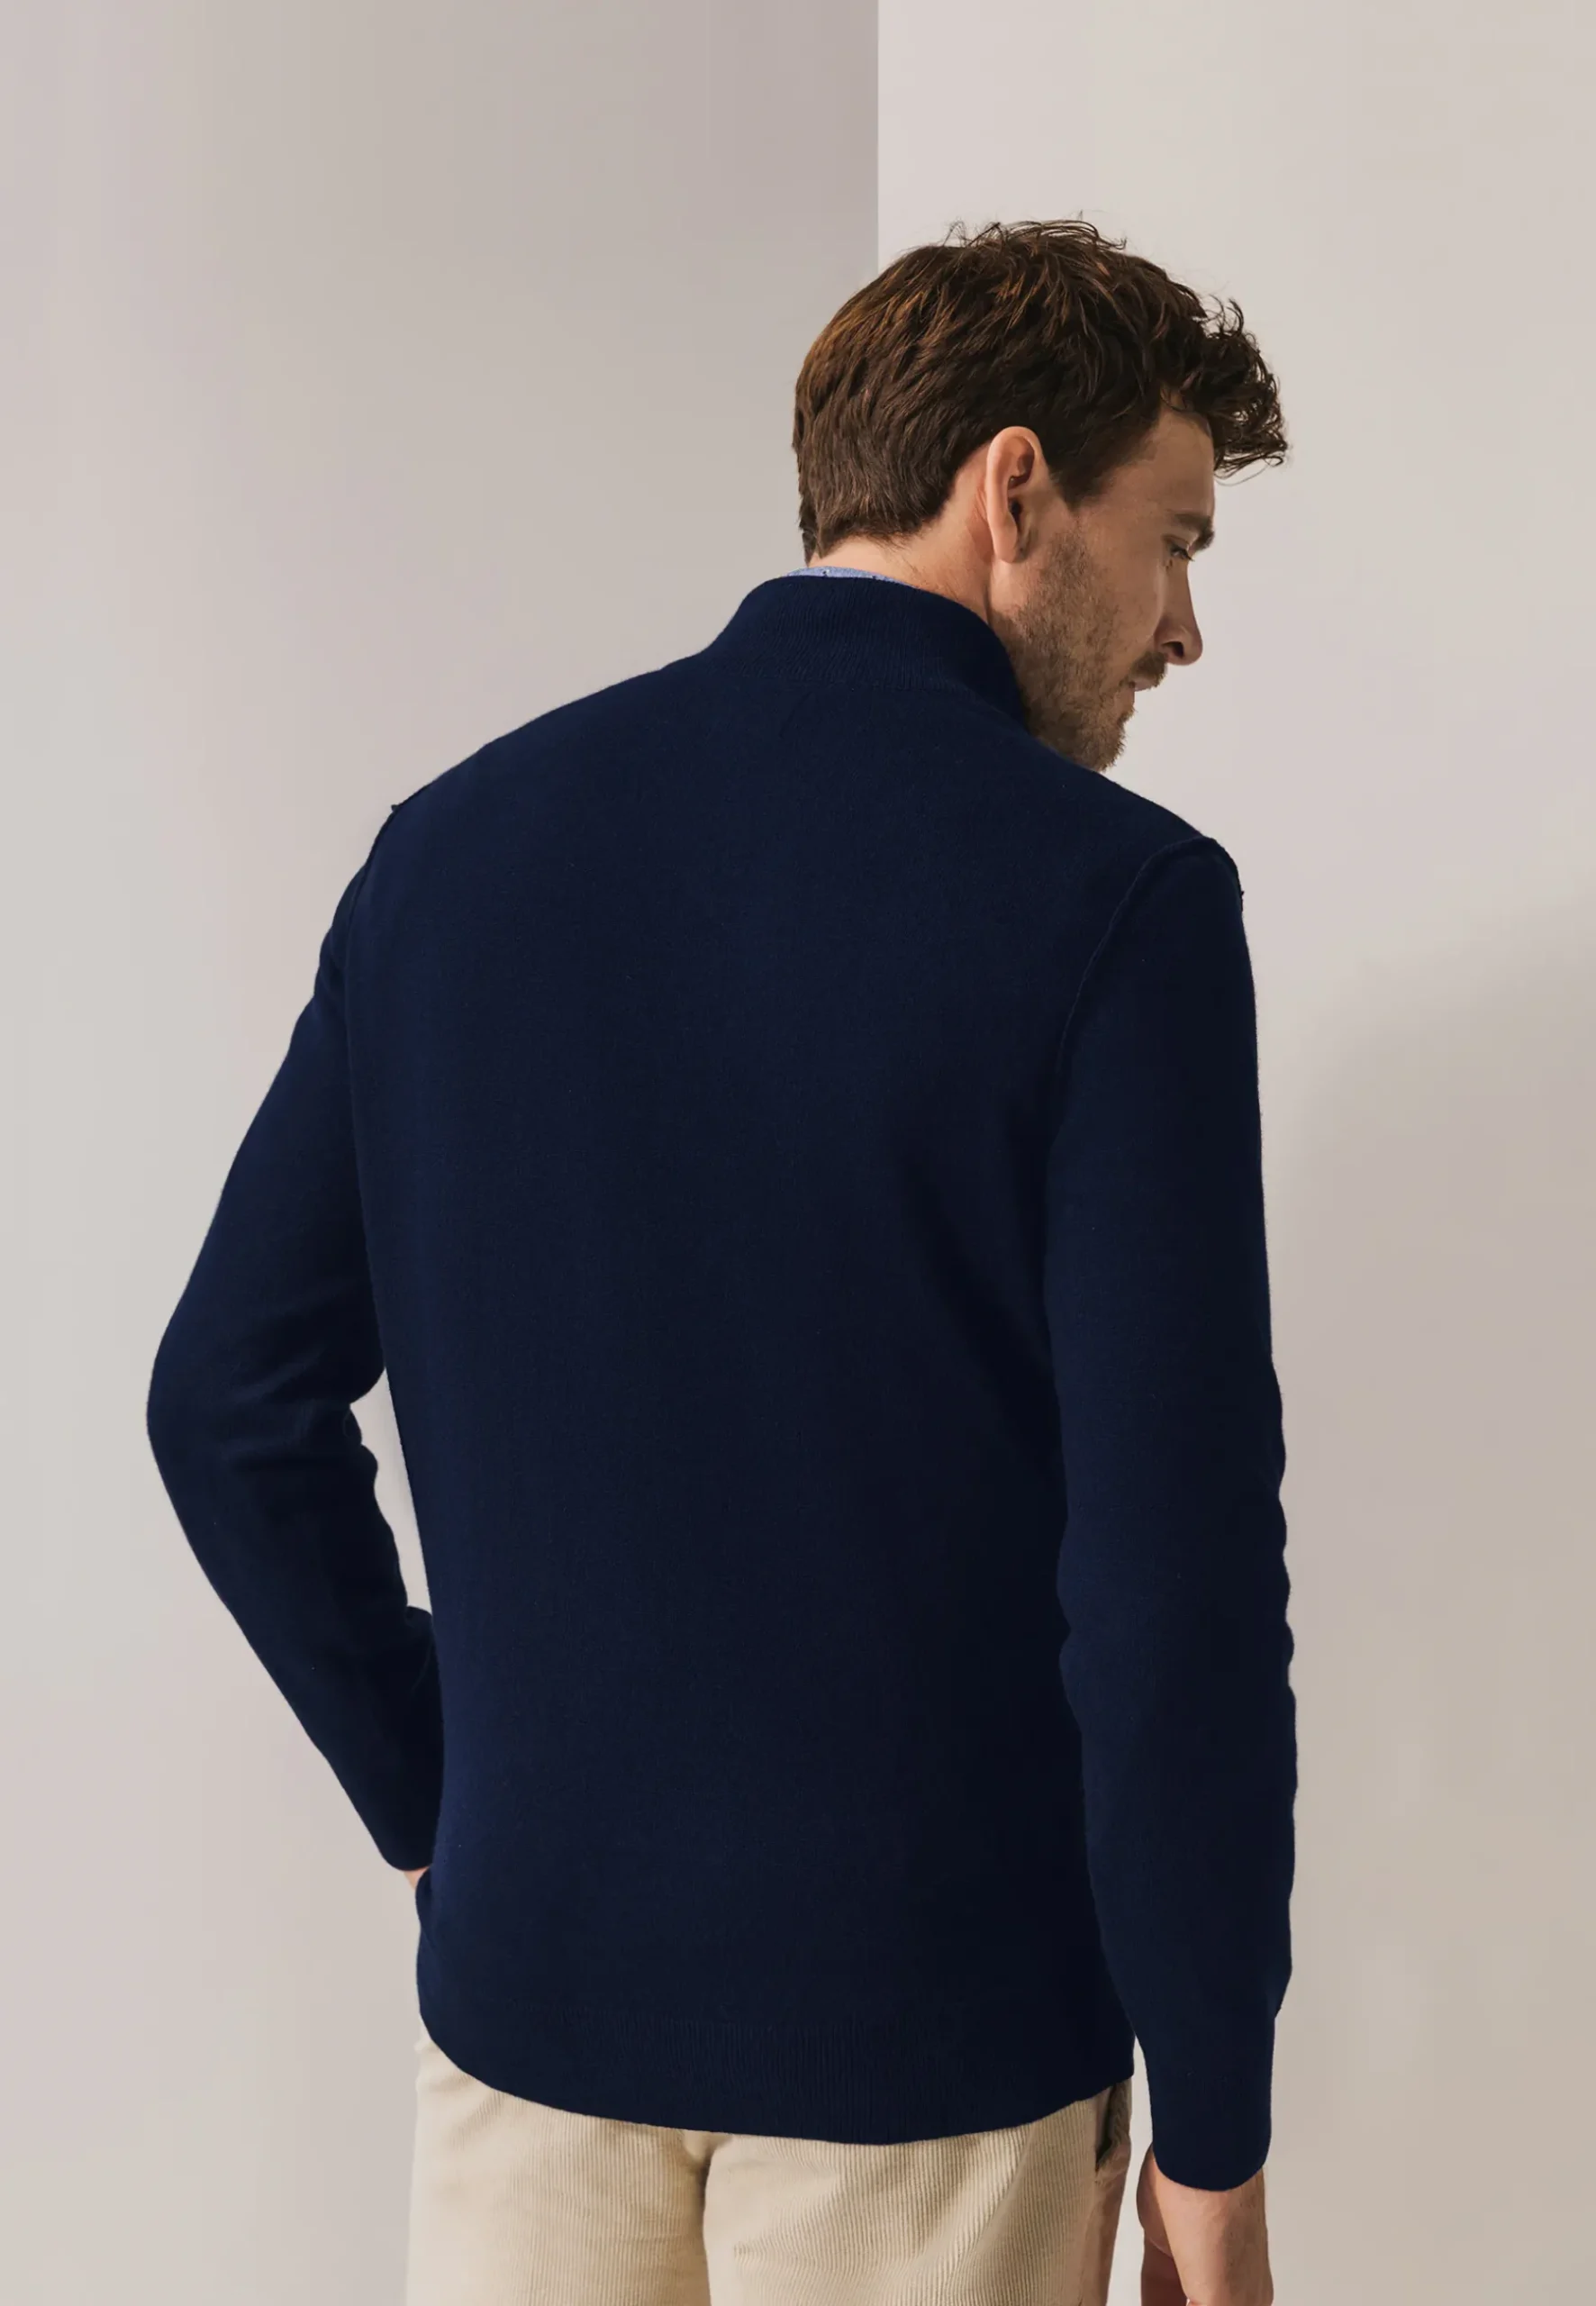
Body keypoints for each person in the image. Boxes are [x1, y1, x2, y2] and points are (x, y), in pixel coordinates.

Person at [146, 217, 1297, 2306]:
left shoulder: (454, 849)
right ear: (1014, 492)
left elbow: (225, 1397)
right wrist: (1211, 2130)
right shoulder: (1116, 903)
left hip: (527, 2030)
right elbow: (1172, 1588)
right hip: (931, 2061)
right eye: (1175, 542)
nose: (1183, 629)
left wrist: (436, 1797)